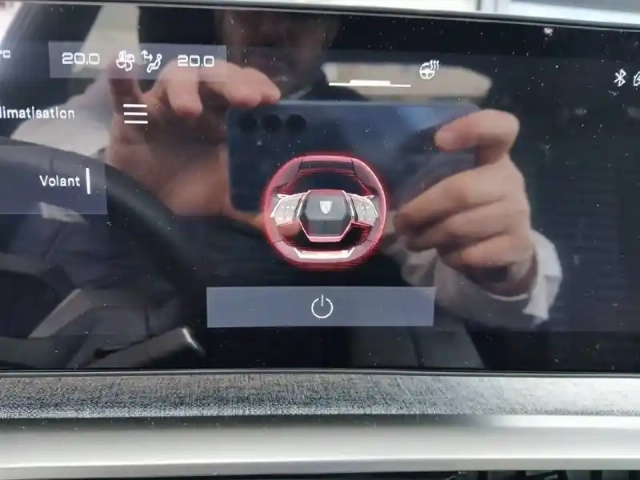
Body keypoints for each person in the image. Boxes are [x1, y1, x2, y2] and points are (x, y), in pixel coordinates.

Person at [10, 9, 562, 367]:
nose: (274, 29)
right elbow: (28, 158)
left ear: (333, 26)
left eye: (302, 13)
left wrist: (506, 267)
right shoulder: (139, 104)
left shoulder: (374, 135)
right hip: (111, 368)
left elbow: (459, 268)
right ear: (221, 14)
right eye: (253, 7)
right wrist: (112, 182)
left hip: (311, 383)